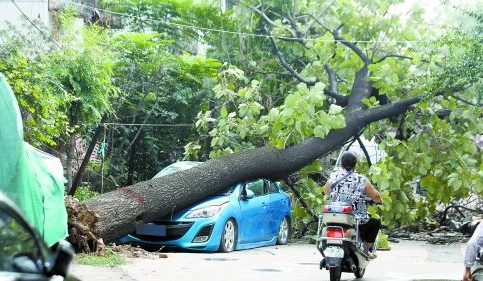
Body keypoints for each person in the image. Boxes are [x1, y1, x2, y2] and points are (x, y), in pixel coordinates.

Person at [324, 151, 383, 259]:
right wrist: (379, 201)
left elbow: (326, 193)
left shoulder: (333, 176)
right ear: (355, 165)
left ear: (341, 164)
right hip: (354, 217)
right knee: (375, 222)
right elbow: (376, 196)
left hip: (333, 215)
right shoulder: (361, 179)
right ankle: (365, 249)